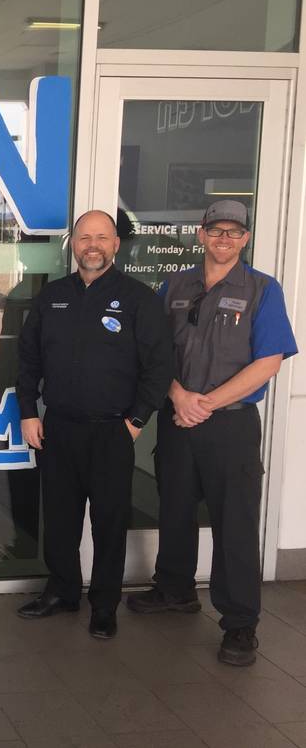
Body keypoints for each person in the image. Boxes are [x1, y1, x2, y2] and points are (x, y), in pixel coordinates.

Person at [127, 199, 297, 667]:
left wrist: (205, 404)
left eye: (234, 232)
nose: (224, 239)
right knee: (175, 508)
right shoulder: (174, 286)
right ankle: (175, 589)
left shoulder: (263, 289)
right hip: (179, 417)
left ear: (245, 239)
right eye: (216, 230)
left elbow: (269, 361)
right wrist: (179, 396)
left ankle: (240, 623)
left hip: (231, 425)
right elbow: (152, 351)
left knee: (235, 523)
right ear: (200, 234)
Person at [15, 210, 174, 639]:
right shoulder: (52, 297)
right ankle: (63, 591)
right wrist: (29, 411)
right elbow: (27, 359)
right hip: (59, 428)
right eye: (85, 237)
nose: (93, 245)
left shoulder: (139, 299)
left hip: (113, 432)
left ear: (115, 244)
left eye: (102, 237)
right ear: (74, 243)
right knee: (61, 519)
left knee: (109, 522)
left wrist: (136, 421)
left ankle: (104, 605)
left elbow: (159, 367)